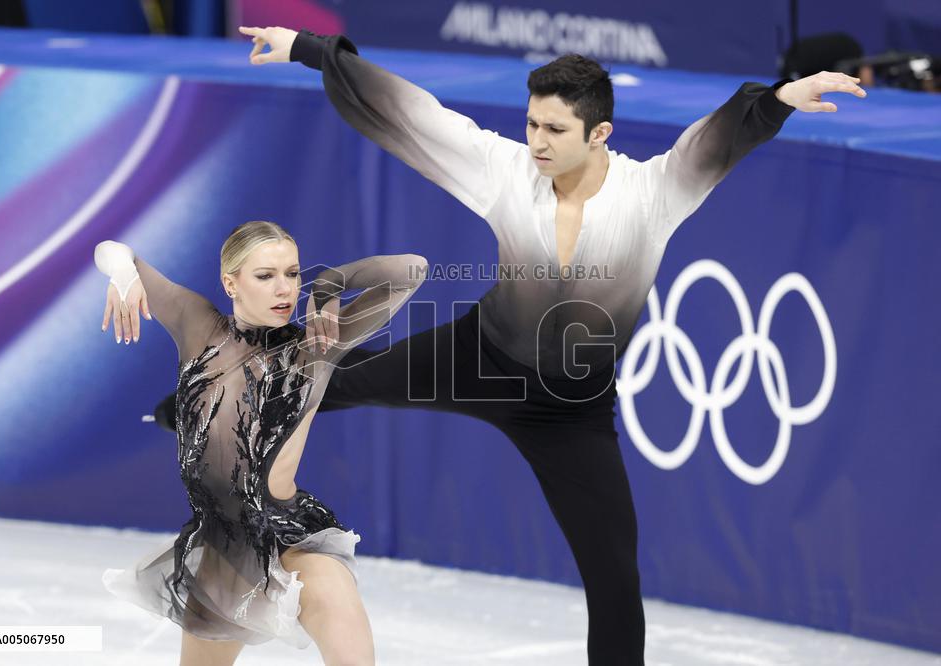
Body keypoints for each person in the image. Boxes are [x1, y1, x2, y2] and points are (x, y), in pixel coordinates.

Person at [158, 27, 866, 664]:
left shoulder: (654, 193)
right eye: (531, 123)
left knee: (615, 572)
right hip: (478, 360)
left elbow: (720, 138)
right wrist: (313, 50)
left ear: (600, 133)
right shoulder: (506, 170)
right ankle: (189, 403)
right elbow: (413, 113)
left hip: (570, 411)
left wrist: (778, 99)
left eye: (554, 128)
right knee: (329, 382)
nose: (536, 141)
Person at [96, 221, 426, 666]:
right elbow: (113, 248)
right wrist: (124, 275)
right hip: (223, 547)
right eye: (265, 276)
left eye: (292, 274)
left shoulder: (318, 344)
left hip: (294, 539)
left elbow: (412, 269)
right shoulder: (198, 326)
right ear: (230, 282)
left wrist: (329, 286)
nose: (284, 289)